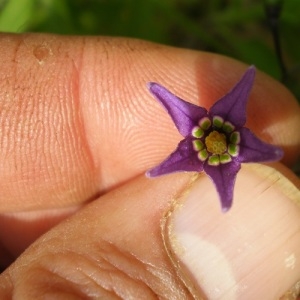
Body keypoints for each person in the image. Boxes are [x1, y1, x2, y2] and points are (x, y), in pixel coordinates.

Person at [0, 33, 299, 299]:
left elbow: (257, 147)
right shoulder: (201, 148)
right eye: (213, 140)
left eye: (217, 140)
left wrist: (261, 155)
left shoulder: (216, 146)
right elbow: (174, 141)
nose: (216, 142)